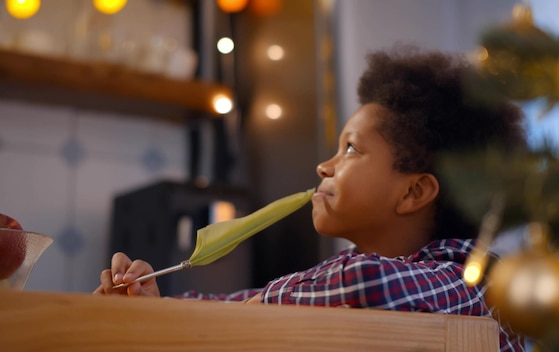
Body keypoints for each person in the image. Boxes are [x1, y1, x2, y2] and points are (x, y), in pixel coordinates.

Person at [95, 44, 526, 352]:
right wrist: (155, 307)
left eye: (351, 149)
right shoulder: (332, 288)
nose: (324, 166)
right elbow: (229, 306)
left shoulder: (477, 282)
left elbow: (364, 282)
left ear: (414, 191)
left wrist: (262, 302)